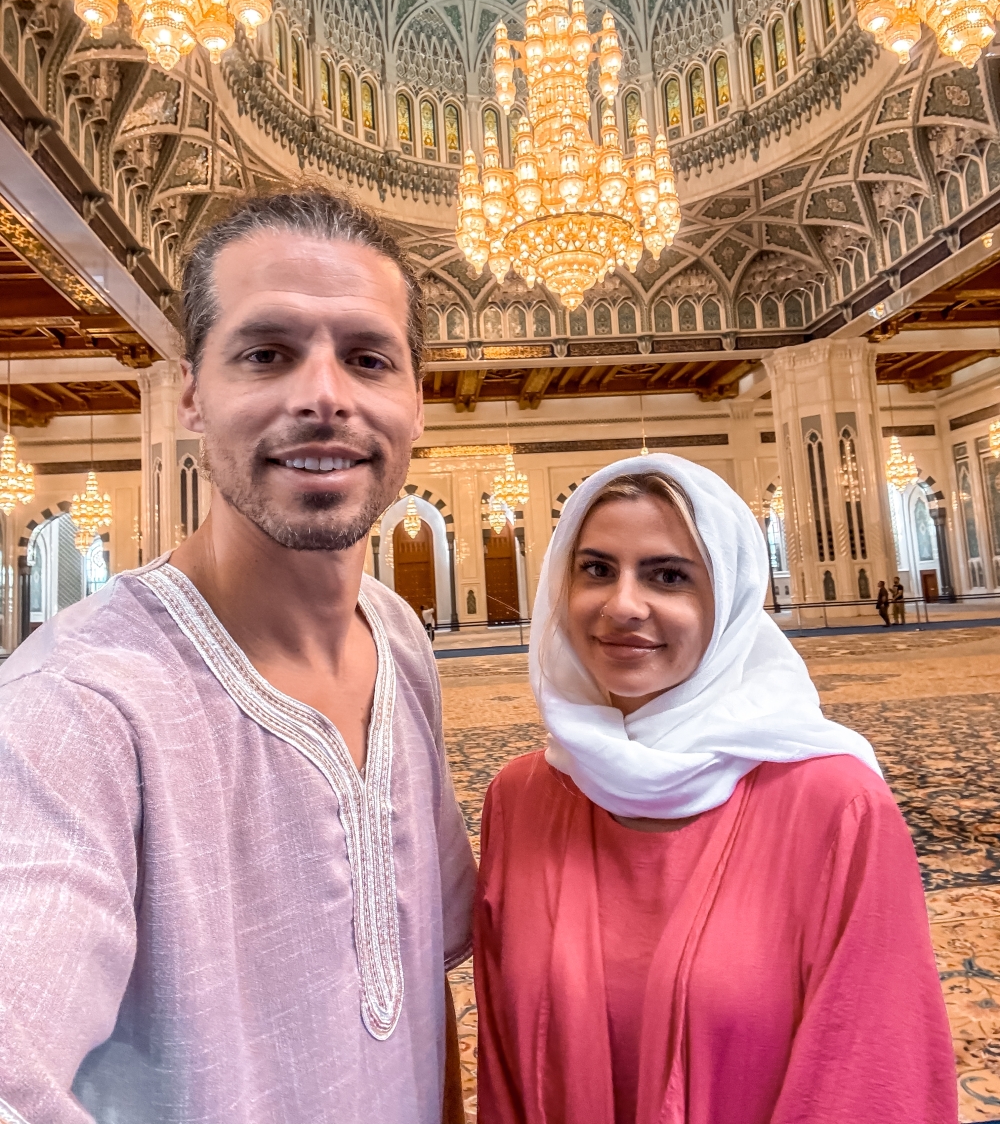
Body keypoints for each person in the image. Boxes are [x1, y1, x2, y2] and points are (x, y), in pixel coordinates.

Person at [0, 190, 476, 1124]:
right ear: (190, 393)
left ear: (416, 401)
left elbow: (424, 982)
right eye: (267, 353)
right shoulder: (76, 708)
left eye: (369, 358)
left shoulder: (401, 638)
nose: (324, 394)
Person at [474, 456, 956, 1124]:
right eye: (596, 568)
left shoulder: (836, 806)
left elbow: (871, 1076)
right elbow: (502, 1068)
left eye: (668, 575)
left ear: (729, 595)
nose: (623, 604)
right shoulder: (523, 797)